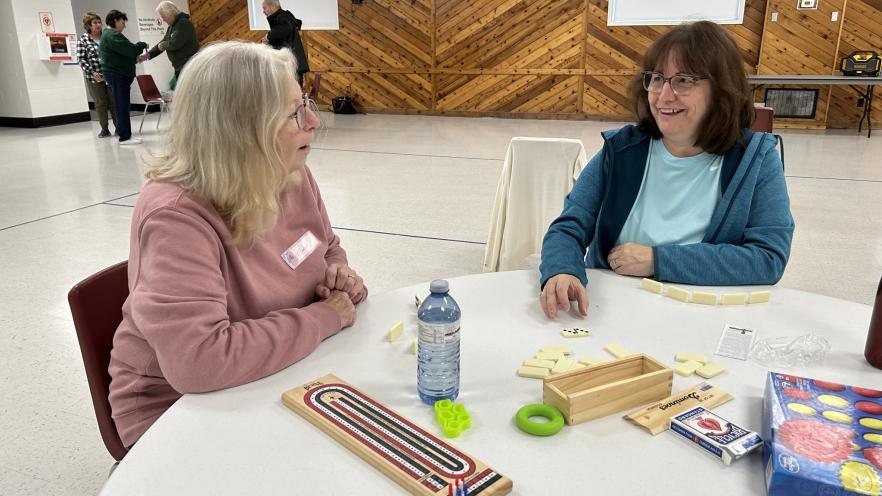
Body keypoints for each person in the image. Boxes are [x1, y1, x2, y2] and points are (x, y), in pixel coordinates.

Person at [108, 41, 367, 447]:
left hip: (280, 372)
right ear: (242, 129)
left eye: (306, 104)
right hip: (179, 411)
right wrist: (326, 317)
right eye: (294, 113)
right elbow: (201, 362)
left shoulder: (289, 172)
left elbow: (325, 247)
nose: (313, 121)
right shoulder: (176, 215)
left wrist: (341, 277)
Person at [539, 21, 794, 319]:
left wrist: (657, 260)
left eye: (684, 80)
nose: (664, 95)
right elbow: (568, 228)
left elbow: (767, 259)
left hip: (703, 315)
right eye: (658, 79)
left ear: (721, 90)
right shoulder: (621, 150)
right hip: (612, 313)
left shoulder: (756, 160)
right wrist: (562, 269)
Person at [100, 10, 148, 145]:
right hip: (117, 74)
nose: (124, 26)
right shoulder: (112, 35)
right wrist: (141, 45)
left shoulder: (109, 35)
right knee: (122, 105)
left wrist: (133, 59)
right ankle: (125, 137)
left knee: (122, 104)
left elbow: (121, 56)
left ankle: (124, 134)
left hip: (116, 73)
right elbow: (130, 49)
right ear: (115, 20)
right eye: (122, 22)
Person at [139, 1, 199, 87]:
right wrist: (147, 56)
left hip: (188, 66)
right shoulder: (172, 27)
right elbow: (162, 43)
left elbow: (174, 44)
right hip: (179, 67)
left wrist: (163, 45)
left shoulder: (184, 23)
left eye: (164, 17)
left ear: (171, 13)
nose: (163, 20)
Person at [76, 12, 117, 138]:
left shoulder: (107, 36)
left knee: (114, 102)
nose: (98, 25)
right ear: (88, 25)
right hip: (94, 78)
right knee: (100, 103)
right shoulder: (83, 40)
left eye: (99, 22)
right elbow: (81, 59)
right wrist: (92, 72)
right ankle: (104, 129)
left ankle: (119, 127)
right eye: (95, 23)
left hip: (110, 75)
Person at [261, 0, 310, 87]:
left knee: (291, 96)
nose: (263, 11)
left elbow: (286, 27)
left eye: (265, 8)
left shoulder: (283, 17)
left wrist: (268, 37)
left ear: (272, 7)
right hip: (290, 64)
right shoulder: (283, 17)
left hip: (291, 65)